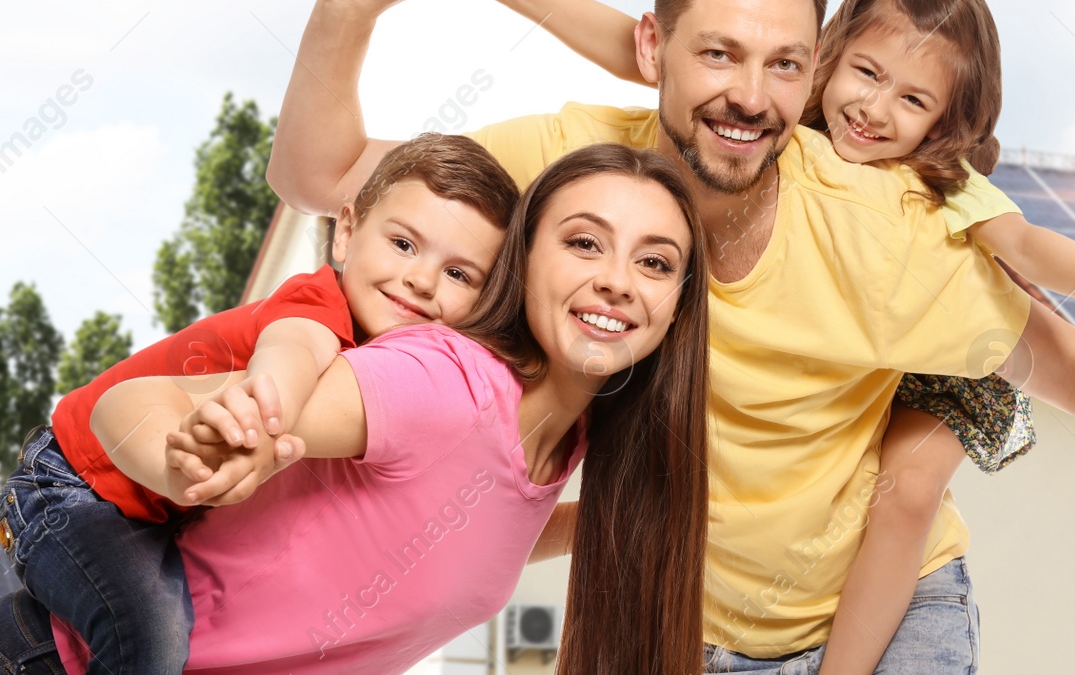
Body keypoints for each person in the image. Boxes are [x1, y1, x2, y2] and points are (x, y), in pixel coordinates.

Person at [266, 0, 1075, 673]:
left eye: (784, 64)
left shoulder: (883, 235)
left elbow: (1072, 368)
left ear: (812, 70)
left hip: (887, 621)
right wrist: (343, 10)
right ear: (654, 50)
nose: (751, 96)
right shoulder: (571, 174)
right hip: (681, 627)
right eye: (719, 55)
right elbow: (320, 175)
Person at [1, 142, 711, 675]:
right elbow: (135, 400)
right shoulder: (435, 381)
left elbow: (479, 518)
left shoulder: (572, 436)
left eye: (654, 262)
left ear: (679, 302)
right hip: (47, 643)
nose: (618, 281)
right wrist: (213, 444)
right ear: (525, 266)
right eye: (585, 242)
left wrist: (644, 522)